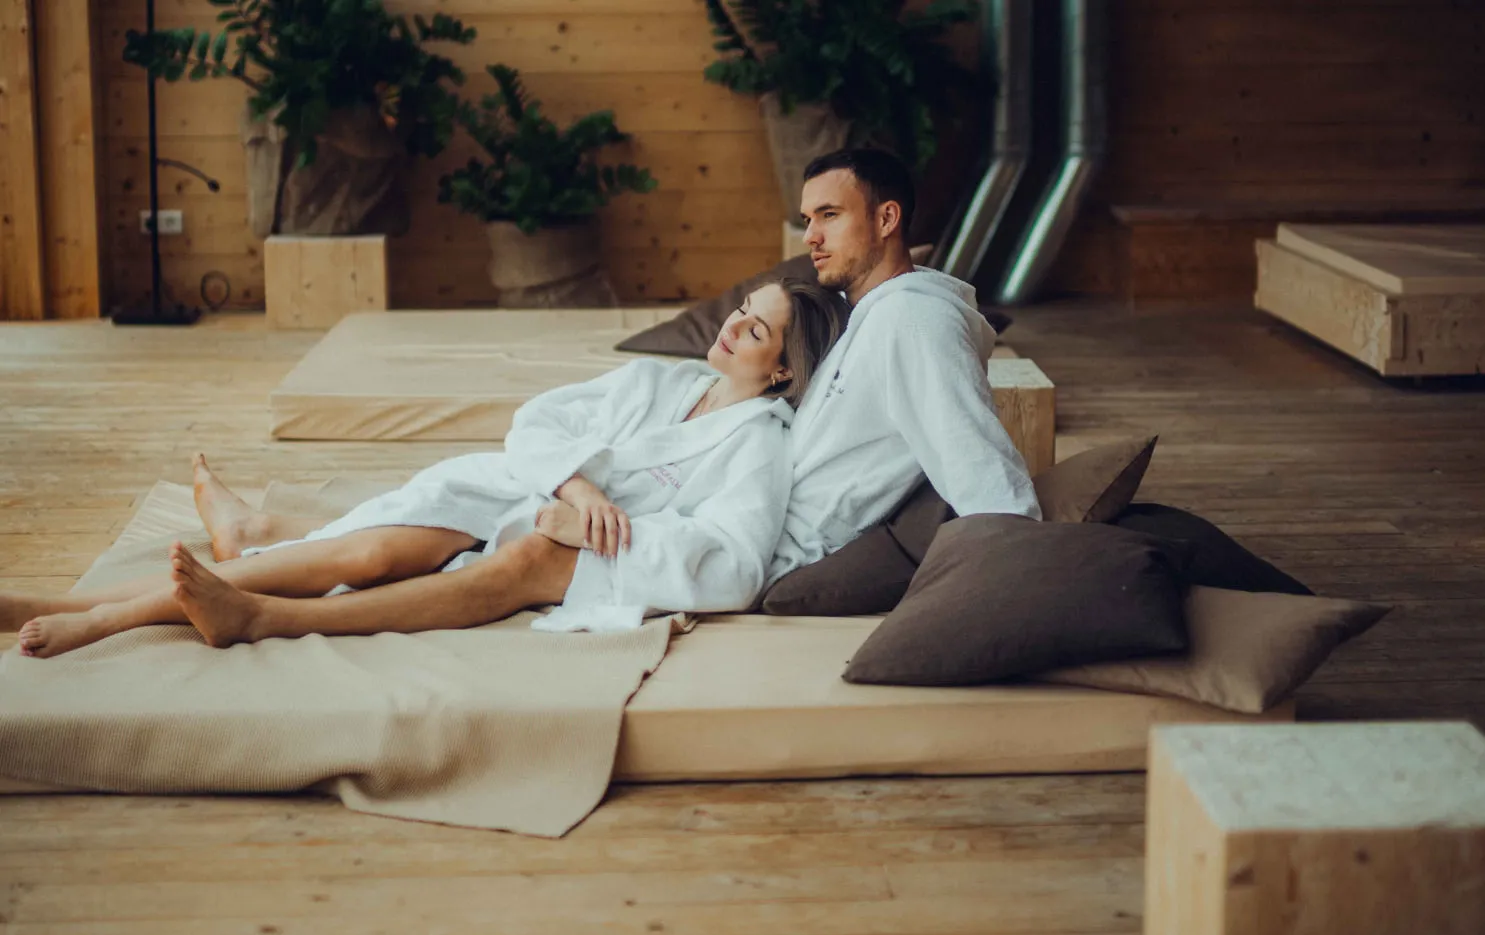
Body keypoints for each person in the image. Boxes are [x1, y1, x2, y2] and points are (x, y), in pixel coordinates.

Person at [4, 280, 848, 657]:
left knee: (477, 556)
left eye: (756, 332)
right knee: (365, 551)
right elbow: (541, 420)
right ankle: (235, 547)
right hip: (525, 495)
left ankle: (140, 615)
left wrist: (592, 529)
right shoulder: (665, 377)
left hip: (589, 553)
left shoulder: (759, 445)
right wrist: (572, 485)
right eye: (739, 311)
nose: (731, 329)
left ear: (781, 371)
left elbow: (733, 560)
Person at [769, 147, 1041, 585]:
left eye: (829, 215)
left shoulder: (915, 322)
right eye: (808, 219)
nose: (810, 237)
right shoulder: (858, 313)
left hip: (782, 551)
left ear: (886, 220)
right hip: (753, 516)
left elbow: (975, 461)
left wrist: (1022, 573)